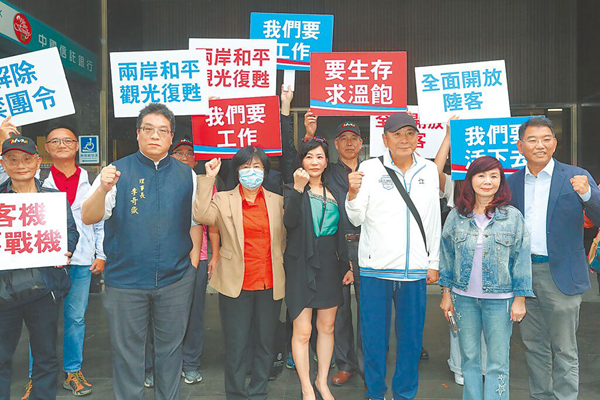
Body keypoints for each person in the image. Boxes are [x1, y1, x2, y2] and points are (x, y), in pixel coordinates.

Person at [82, 103, 197, 400]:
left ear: (171, 137)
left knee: (170, 353)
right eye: (148, 129)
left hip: (175, 281)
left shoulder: (187, 175)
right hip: (126, 282)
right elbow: (89, 216)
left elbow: (195, 222)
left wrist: (192, 265)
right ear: (137, 134)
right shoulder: (116, 172)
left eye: (162, 131)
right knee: (128, 356)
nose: (155, 136)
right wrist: (102, 188)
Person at [345, 112, 441, 400]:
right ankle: (375, 392)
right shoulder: (370, 168)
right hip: (376, 269)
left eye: (410, 133)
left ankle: (404, 393)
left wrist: (433, 262)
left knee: (411, 341)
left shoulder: (428, 170)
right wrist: (352, 193)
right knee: (374, 339)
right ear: (385, 139)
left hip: (414, 270)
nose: (404, 139)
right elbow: (356, 217)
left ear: (417, 138)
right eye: (397, 134)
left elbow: (433, 219)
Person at [506, 116, 600, 400]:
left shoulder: (576, 176)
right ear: (520, 146)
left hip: (560, 275)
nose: (540, 145)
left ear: (555, 143)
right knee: (533, 346)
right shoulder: (511, 182)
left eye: (546, 139)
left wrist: (587, 194)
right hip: (523, 276)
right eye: (532, 140)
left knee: (564, 348)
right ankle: (541, 396)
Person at [193, 148, 286, 400]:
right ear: (237, 171)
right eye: (245, 167)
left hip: (269, 282)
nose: (251, 172)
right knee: (236, 343)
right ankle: (235, 393)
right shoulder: (223, 199)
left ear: (265, 171)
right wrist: (209, 178)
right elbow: (201, 215)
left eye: (257, 167)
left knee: (265, 342)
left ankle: (258, 392)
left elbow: (284, 240)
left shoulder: (277, 201)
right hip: (236, 282)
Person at [439, 156, 533, 399]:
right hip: (463, 299)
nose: (487, 181)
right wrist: (446, 294)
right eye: (481, 175)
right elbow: (447, 256)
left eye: (493, 176)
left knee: (497, 362)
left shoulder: (512, 217)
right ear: (470, 180)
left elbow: (522, 259)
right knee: (469, 359)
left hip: (500, 301)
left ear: (501, 181)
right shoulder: (457, 216)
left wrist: (520, 298)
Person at [23, 124, 106, 398]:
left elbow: (99, 220)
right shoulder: (35, 178)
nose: (62, 145)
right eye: (55, 141)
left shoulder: (91, 179)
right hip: (44, 260)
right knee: (40, 321)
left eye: (68, 141)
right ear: (46, 148)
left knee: (76, 319)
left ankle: (73, 371)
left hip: (80, 261)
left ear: (77, 146)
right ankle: (37, 377)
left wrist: (101, 254)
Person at [0, 136, 79, 400]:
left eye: (26, 159)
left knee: (45, 355)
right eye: (12, 159)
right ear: (3, 164)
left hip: (44, 289)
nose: (20, 165)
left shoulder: (53, 199)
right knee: (1, 356)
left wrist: (65, 249)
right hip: (4, 292)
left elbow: (70, 232)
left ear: (37, 162)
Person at [143, 135, 220, 388]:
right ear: (170, 155)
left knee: (194, 315)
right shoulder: (157, 181)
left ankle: (190, 363)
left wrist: (214, 256)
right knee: (157, 316)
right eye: (179, 153)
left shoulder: (204, 182)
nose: (185, 157)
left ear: (196, 159)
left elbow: (213, 223)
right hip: (162, 259)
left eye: (189, 153)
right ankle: (155, 367)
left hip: (197, 257)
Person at [284, 137, 353, 400]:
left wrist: (346, 264)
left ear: (326, 162)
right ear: (301, 161)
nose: (314, 161)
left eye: (320, 156)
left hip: (330, 265)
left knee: (327, 327)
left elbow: (341, 231)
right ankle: (306, 388)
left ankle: (321, 381)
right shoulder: (293, 188)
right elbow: (289, 222)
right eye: (309, 156)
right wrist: (298, 188)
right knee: (303, 331)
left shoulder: (335, 189)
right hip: (301, 264)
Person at [302, 113, 364, 385]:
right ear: (335, 145)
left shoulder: (373, 170)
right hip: (338, 246)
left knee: (368, 308)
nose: (349, 143)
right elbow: (306, 164)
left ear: (361, 143)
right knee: (338, 310)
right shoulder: (327, 171)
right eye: (343, 139)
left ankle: (367, 363)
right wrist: (308, 135)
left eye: (354, 138)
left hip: (368, 244)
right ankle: (345, 364)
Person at [433, 117, 487, 386]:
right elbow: (434, 174)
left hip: (491, 263)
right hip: (461, 263)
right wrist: (447, 137)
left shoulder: (497, 183)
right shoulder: (455, 183)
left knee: (490, 319)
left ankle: (485, 365)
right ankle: (461, 365)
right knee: (460, 316)